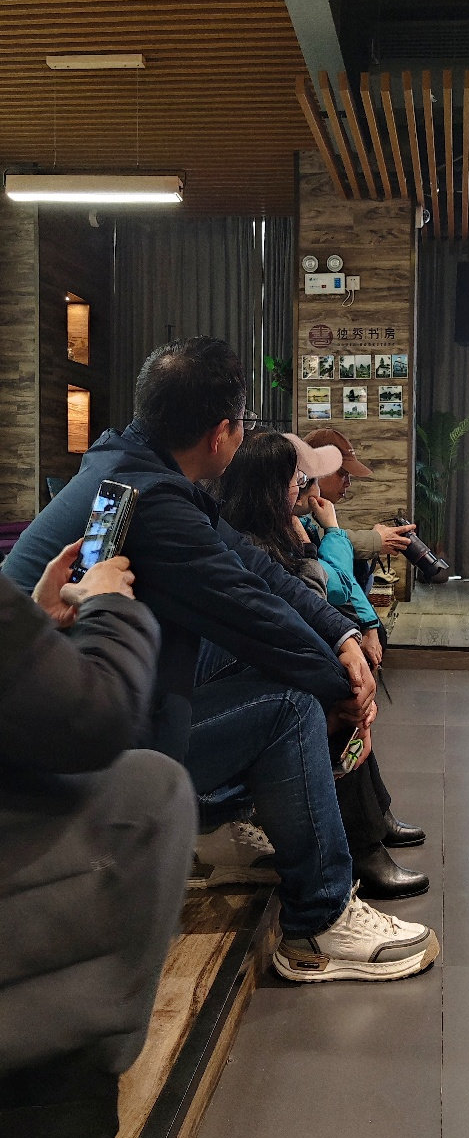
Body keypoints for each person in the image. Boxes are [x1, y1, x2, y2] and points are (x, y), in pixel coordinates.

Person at [3, 337, 438, 984]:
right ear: (221, 433)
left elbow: (255, 568)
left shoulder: (129, 465)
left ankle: (215, 829)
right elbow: (249, 610)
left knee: (253, 658)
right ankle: (318, 923)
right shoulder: (150, 498)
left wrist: (341, 637)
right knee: (288, 706)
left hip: (73, 713)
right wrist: (341, 689)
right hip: (63, 763)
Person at [0, 543, 232, 1138]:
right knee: (146, 798)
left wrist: (33, 624)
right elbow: (93, 718)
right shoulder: (172, 511)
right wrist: (110, 607)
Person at [215, 429, 428, 899]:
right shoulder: (253, 543)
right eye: (300, 479)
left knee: (347, 686)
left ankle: (373, 822)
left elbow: (319, 603)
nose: (308, 488)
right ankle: (360, 851)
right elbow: (311, 601)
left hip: (267, 665)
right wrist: (322, 541)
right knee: (338, 695)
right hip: (246, 679)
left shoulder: (278, 532)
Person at [303, 426, 417, 563]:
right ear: (315, 469)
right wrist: (375, 540)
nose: (348, 483)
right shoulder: (294, 514)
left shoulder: (315, 512)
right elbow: (321, 542)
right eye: (342, 473)